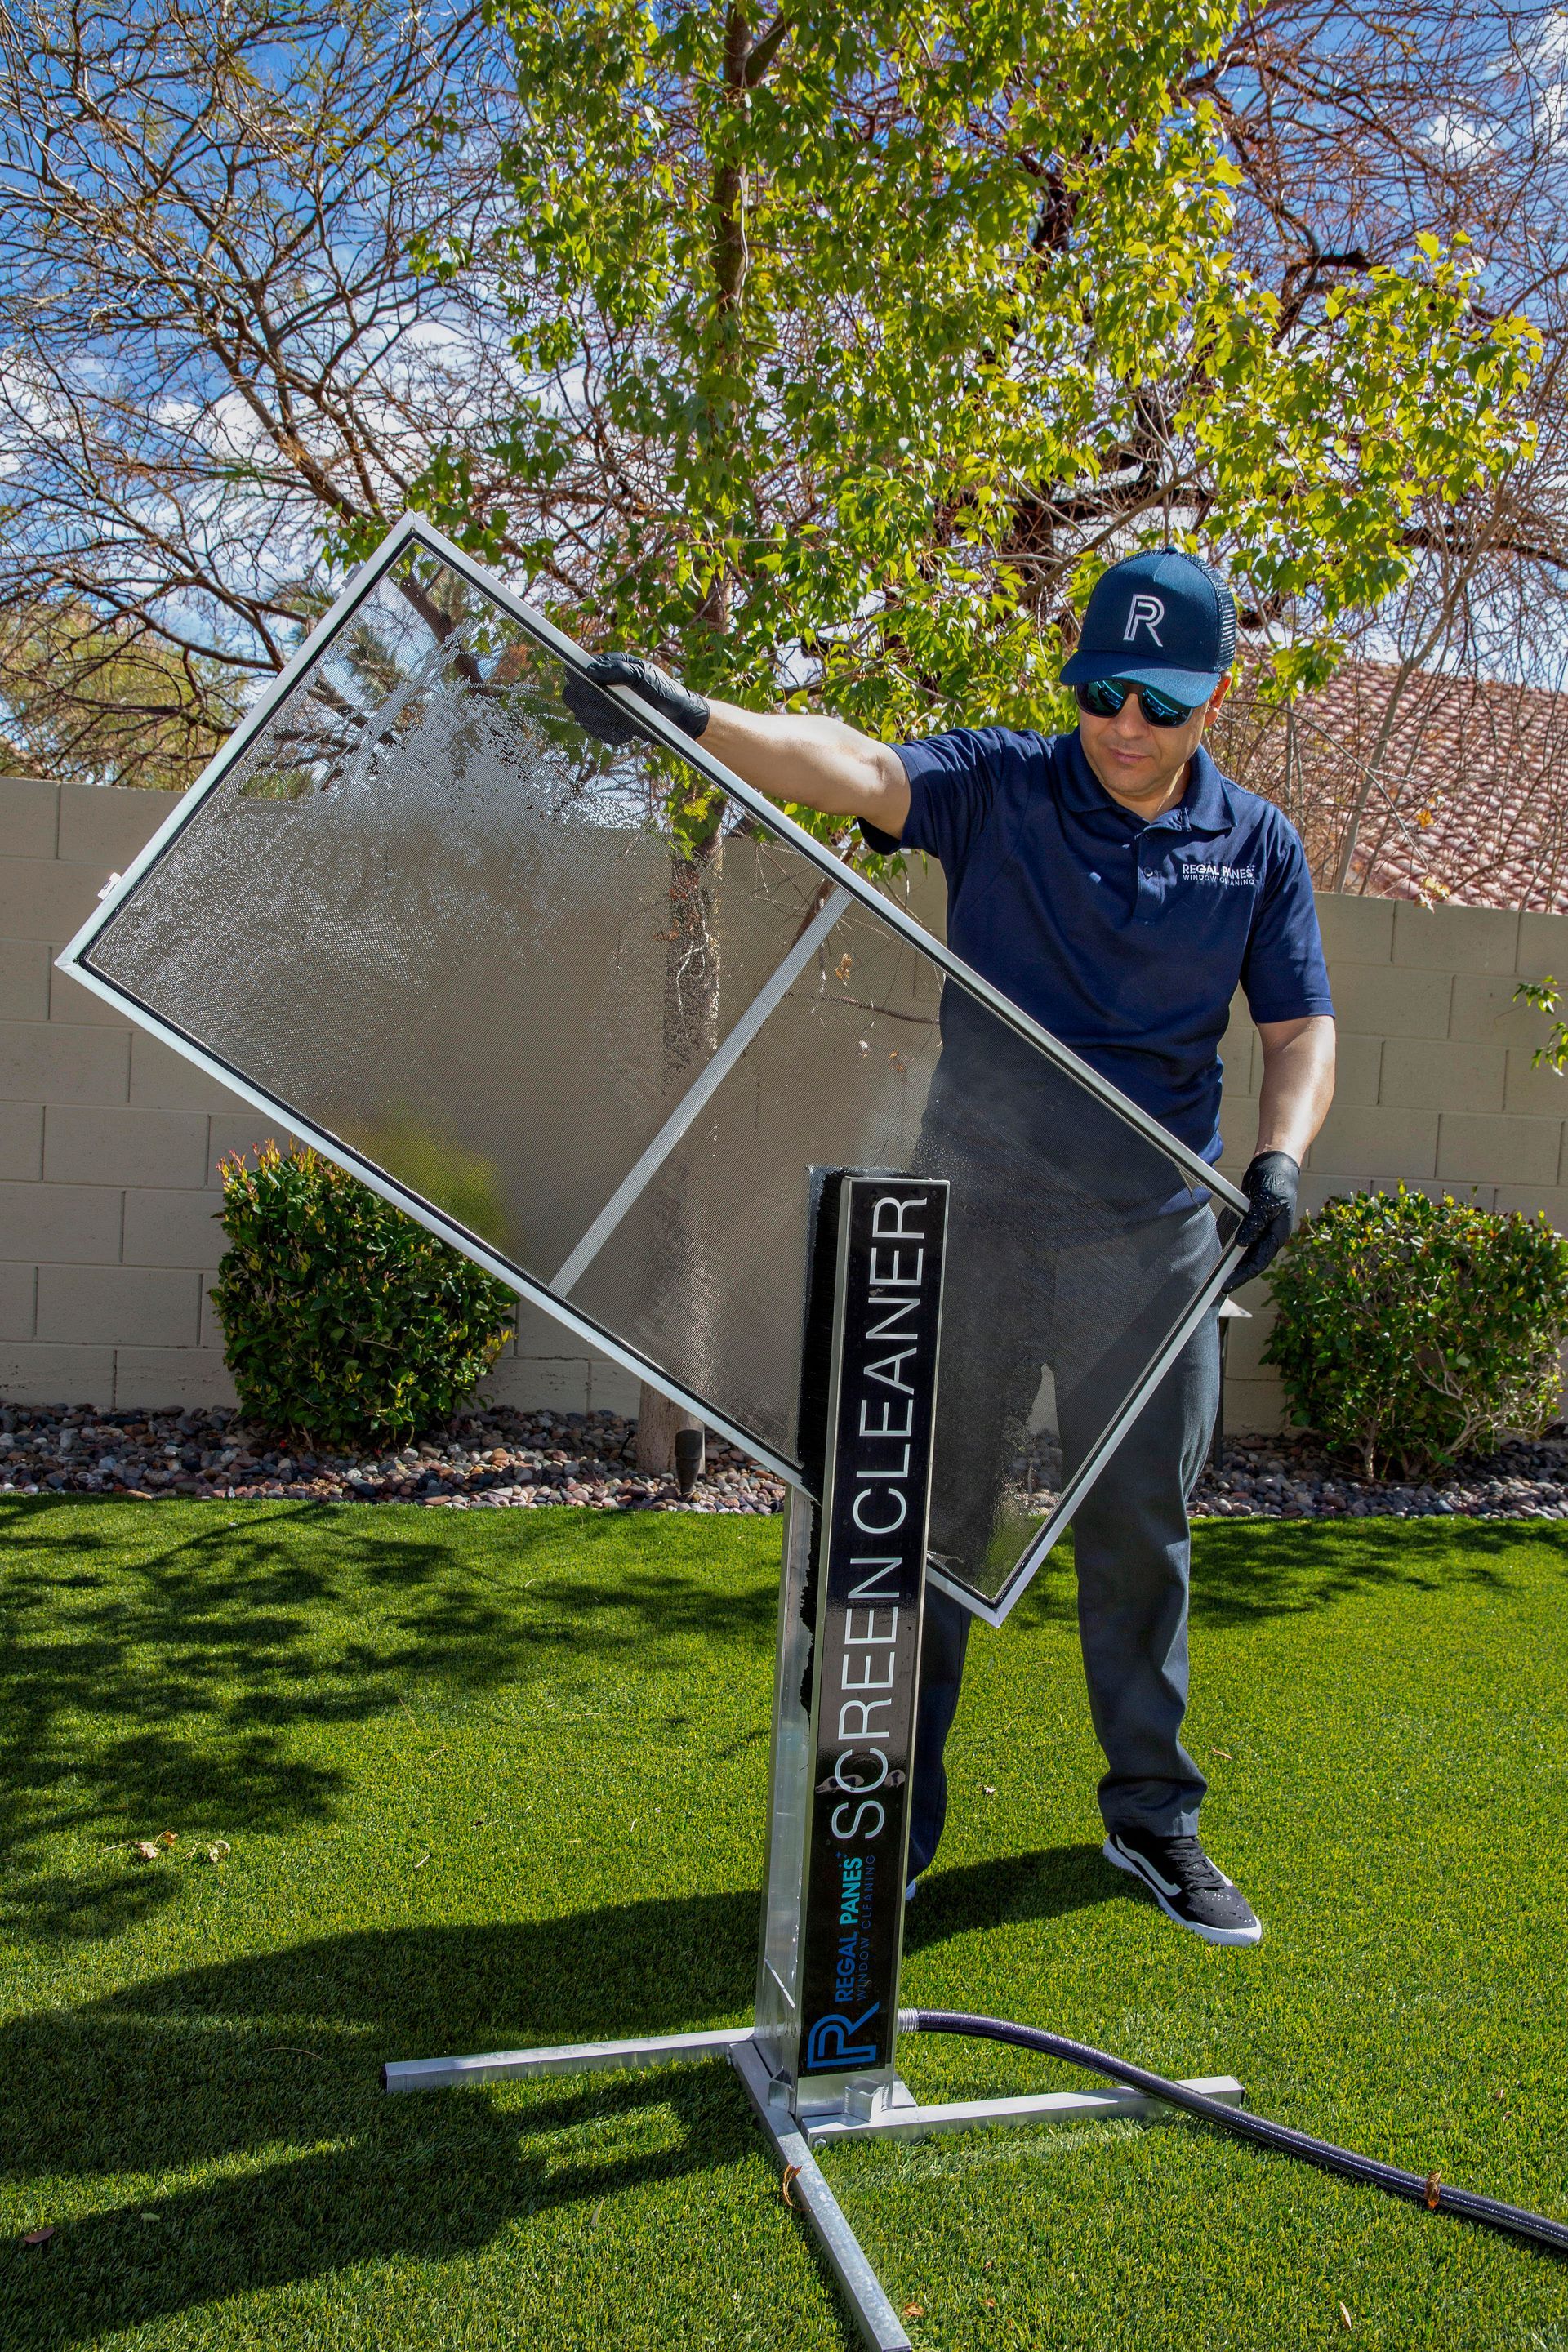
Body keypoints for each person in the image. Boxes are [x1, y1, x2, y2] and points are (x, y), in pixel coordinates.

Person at [564, 549, 1335, 1948]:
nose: (1122, 726)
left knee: (1141, 1534)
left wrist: (1278, 1157)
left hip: (1151, 1242)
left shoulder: (1258, 846)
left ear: (1212, 698)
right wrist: (692, 718)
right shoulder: (1002, 787)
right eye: (1100, 691)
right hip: (970, 1215)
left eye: (1156, 704)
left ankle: (1151, 1817)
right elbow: (853, 766)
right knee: (925, 1525)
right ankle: (887, 1830)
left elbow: (1298, 1030)